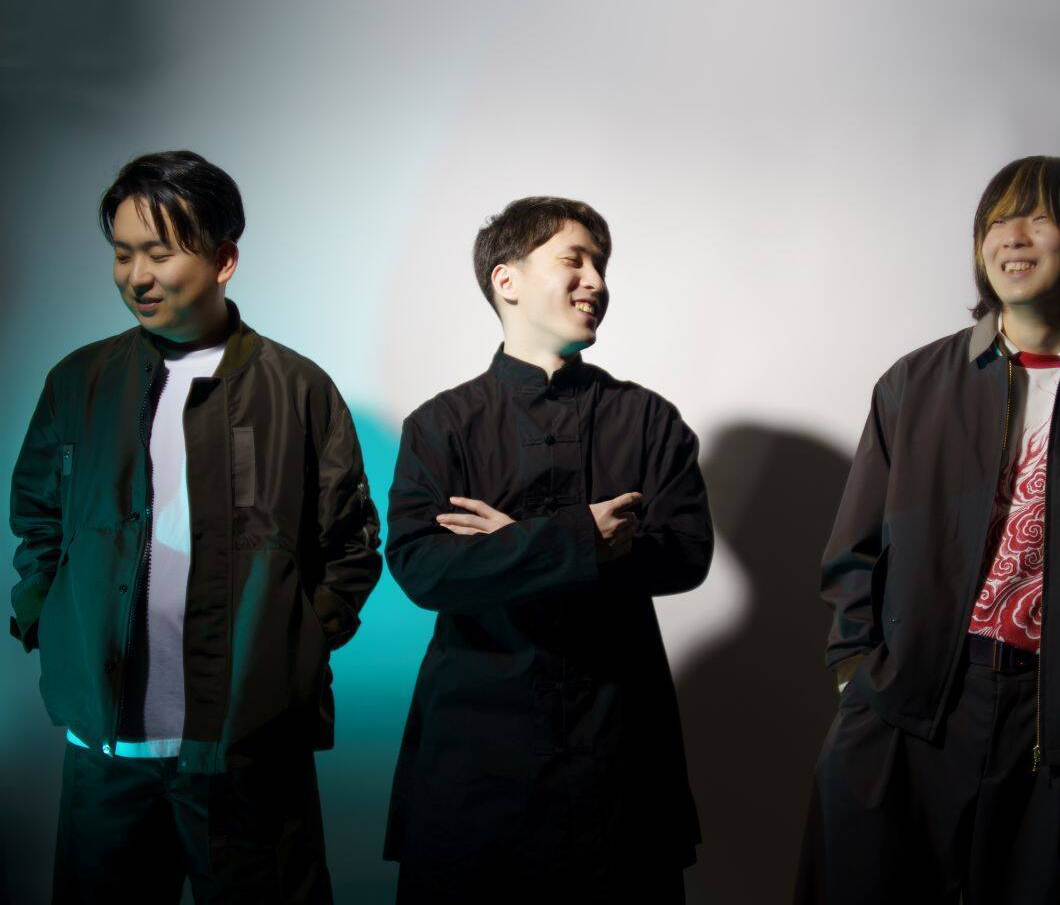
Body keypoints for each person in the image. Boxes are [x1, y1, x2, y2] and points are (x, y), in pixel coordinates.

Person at [799, 155, 1060, 904]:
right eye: (997, 220)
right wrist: (859, 674)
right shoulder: (916, 383)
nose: (1011, 237)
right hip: (911, 704)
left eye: (1038, 218)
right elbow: (855, 548)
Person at [10, 150, 382, 903]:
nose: (137, 277)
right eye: (122, 254)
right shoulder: (79, 381)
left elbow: (349, 542)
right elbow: (38, 519)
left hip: (248, 749)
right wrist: (45, 614)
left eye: (159, 253)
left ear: (223, 259)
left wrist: (299, 644)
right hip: (107, 751)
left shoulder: (297, 388)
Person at [385, 196, 712, 904]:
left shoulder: (649, 420)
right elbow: (422, 568)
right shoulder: (441, 425)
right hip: (475, 753)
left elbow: (686, 555)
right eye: (575, 259)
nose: (596, 280)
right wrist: (580, 539)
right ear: (506, 280)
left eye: (602, 265)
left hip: (619, 746)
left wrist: (510, 545)